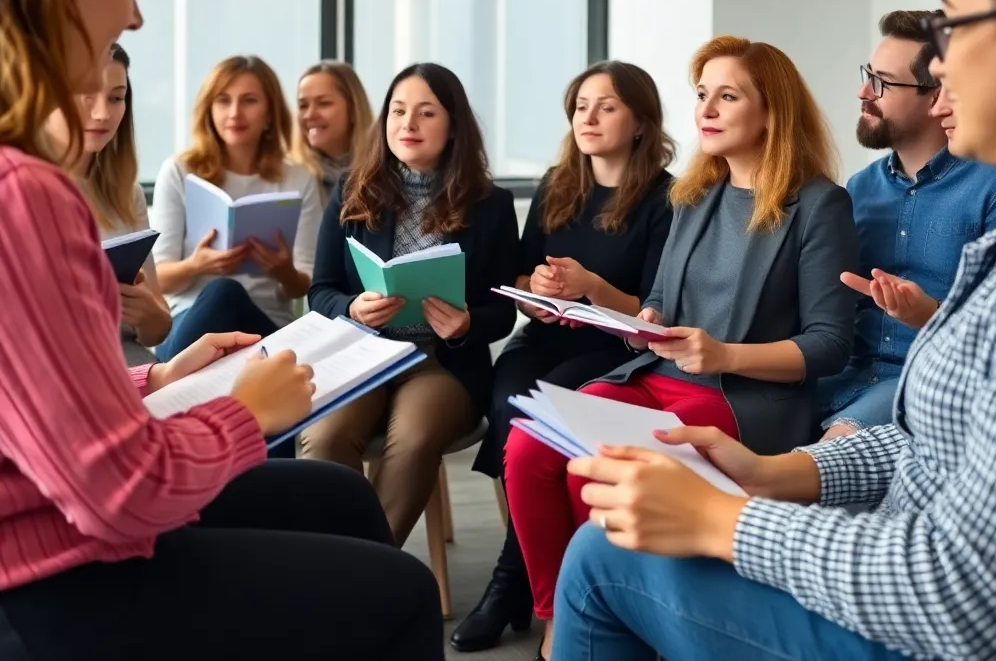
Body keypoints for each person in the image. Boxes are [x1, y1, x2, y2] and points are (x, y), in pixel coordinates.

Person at [0, 0, 442, 660]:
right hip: (49, 577)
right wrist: (245, 411)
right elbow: (118, 493)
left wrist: (159, 379)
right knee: (399, 595)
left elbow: (31, 407)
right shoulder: (27, 195)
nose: (133, 17)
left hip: (46, 523)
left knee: (342, 502)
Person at [553, 0, 996, 661]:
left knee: (602, 561)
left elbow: (968, 595)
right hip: (868, 468)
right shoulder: (995, 223)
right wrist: (774, 475)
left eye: (951, 26)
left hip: (934, 614)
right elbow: (923, 443)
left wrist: (724, 520)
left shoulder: (833, 202)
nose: (937, 65)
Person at [505, 36, 859, 660]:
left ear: (772, 111)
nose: (707, 110)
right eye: (702, 95)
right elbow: (662, 300)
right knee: (529, 444)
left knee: (603, 463)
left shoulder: (819, 204)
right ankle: (562, 616)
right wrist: (646, 318)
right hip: (657, 377)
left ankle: (620, 617)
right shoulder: (693, 194)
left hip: (740, 397)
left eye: (728, 96)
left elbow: (830, 345)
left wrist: (722, 355)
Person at [451, 61, 674, 653]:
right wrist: (541, 295)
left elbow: (651, 309)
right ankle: (528, 567)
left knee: (538, 419)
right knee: (507, 401)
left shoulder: (665, 198)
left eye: (606, 106)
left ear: (640, 123)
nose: (589, 117)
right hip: (549, 336)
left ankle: (510, 583)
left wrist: (591, 288)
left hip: (615, 350)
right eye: (580, 106)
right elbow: (523, 270)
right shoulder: (558, 182)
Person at [299, 62, 520, 546]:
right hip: (365, 353)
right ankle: (336, 562)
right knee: (324, 437)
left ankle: (365, 574)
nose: (408, 125)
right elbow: (321, 293)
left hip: (442, 363)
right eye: (398, 111)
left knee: (415, 438)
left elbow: (503, 309)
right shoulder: (353, 189)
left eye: (425, 113)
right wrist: (354, 308)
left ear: (454, 125)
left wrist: (464, 324)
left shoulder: (492, 205)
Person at [818, 11, 996, 440]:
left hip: (925, 382)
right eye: (867, 75)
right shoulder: (859, 187)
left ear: (935, 95)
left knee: (826, 453)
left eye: (882, 82)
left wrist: (926, 314)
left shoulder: (995, 187)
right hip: (844, 373)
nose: (863, 92)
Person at [150, 56, 324, 363]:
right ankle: (171, 379)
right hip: (188, 320)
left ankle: (167, 385)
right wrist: (197, 266)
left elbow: (305, 283)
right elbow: (158, 277)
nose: (234, 113)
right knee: (221, 292)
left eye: (249, 101)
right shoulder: (179, 171)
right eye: (223, 100)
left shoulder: (297, 179)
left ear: (269, 113)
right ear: (209, 109)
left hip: (263, 325)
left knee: (228, 294)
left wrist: (283, 271)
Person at [44, 42, 170, 364]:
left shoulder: (127, 194)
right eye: (87, 93)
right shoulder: (21, 189)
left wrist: (146, 313)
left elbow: (158, 329)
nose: (102, 113)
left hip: (130, 364)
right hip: (59, 371)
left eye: (116, 98)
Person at [293, 60, 374, 203]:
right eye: (303, 106)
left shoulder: (384, 174)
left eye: (324, 103)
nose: (310, 114)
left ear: (353, 109)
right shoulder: (292, 176)